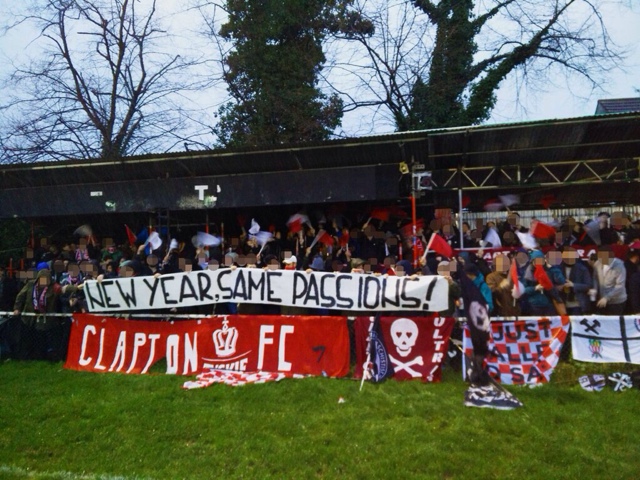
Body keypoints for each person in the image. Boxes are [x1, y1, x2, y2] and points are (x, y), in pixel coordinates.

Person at [12, 267, 79, 361]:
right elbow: (20, 296)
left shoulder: (54, 287)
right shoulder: (30, 284)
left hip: (46, 318)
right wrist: (17, 308)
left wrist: (76, 288)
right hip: (29, 317)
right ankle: (26, 357)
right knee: (27, 338)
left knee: (42, 338)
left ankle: (44, 357)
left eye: (46, 279)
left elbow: (63, 289)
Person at [592, 245, 627, 315]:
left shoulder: (619, 266)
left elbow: (620, 286)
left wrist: (607, 297)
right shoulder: (597, 264)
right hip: (602, 299)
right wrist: (595, 289)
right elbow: (595, 278)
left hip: (616, 301)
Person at [559, 247, 593, 315]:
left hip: (577, 303)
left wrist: (573, 285)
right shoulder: (559, 268)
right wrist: (558, 287)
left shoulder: (582, 269)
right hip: (563, 303)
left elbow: (588, 285)